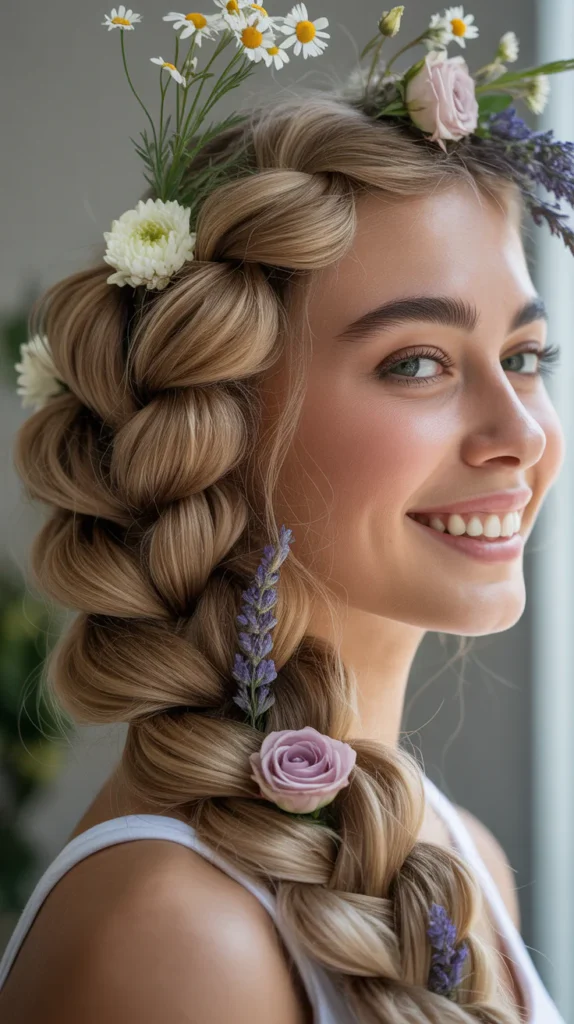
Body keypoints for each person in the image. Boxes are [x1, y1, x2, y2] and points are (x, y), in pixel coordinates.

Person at [0, 3, 571, 1022]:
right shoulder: (181, 940)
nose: (521, 433)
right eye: (417, 364)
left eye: (525, 355)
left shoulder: (460, 860)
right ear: (220, 418)